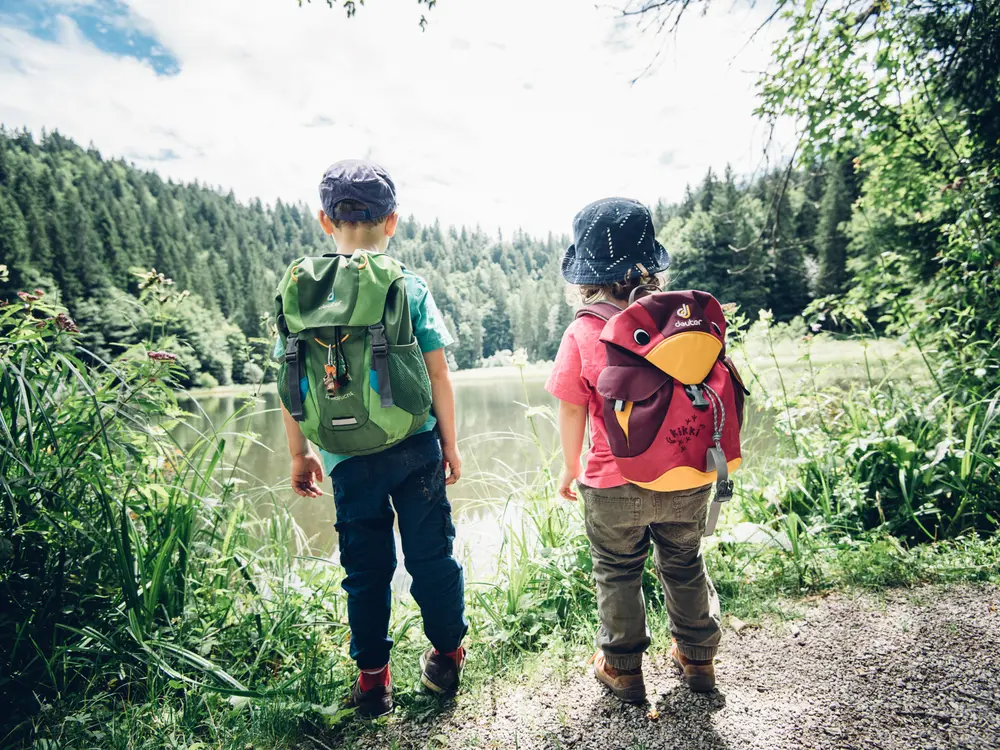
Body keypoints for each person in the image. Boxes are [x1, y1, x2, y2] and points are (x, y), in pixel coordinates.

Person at [278, 159, 467, 718]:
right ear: (393, 222)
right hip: (414, 444)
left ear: (324, 220)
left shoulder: (301, 291)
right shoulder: (406, 285)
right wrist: (450, 445)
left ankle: (372, 680)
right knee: (431, 555)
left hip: (344, 457)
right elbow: (437, 374)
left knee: (364, 568)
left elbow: (292, 378)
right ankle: (447, 655)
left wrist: (299, 452)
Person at [545, 197, 722, 704]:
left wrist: (569, 468)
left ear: (586, 275)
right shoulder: (684, 324)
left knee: (618, 569)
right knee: (684, 561)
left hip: (611, 479)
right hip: (686, 471)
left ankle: (622, 669)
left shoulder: (582, 331)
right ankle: (698, 657)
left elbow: (572, 408)